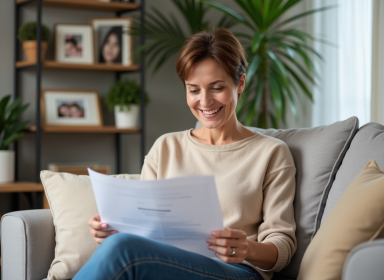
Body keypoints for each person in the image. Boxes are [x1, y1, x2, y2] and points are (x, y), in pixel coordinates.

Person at [74, 29, 297, 280]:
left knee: (122, 249)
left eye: (217, 88)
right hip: (167, 265)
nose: (205, 101)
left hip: (236, 271)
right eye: (194, 90)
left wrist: (246, 248)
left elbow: (282, 245)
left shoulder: (271, 153)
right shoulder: (166, 147)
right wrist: (112, 230)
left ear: (240, 83)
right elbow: (142, 229)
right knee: (121, 244)